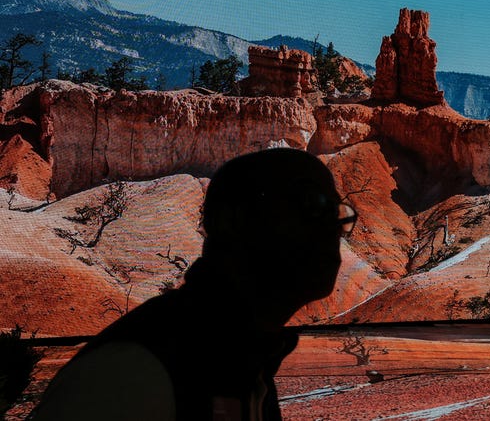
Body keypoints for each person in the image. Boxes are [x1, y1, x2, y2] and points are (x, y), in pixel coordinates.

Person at [31, 147, 356, 420]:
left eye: (338, 215)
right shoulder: (129, 375)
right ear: (233, 220)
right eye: (312, 205)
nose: (331, 228)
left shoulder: (246, 364)